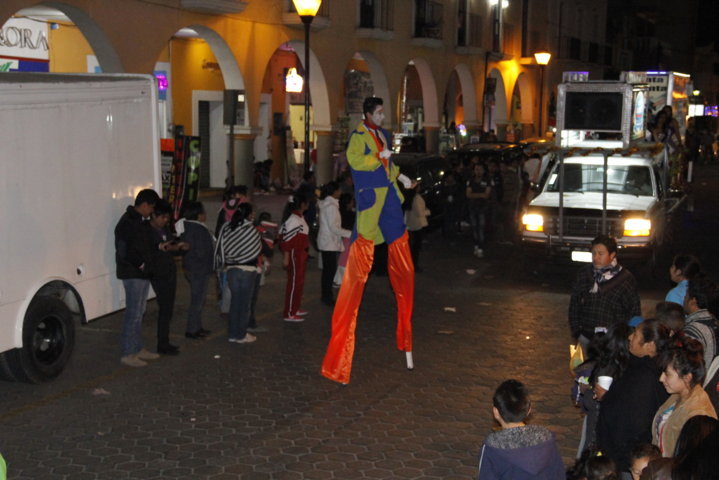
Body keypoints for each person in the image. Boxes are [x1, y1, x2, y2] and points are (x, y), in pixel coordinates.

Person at [321, 96, 416, 385]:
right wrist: (379, 157)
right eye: (379, 112)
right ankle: (339, 358)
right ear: (367, 113)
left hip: (389, 199)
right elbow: (355, 161)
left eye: (383, 112)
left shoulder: (382, 134)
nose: (383, 116)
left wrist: (402, 179)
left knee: (404, 261)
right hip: (371, 201)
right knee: (360, 262)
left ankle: (406, 337)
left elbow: (390, 166)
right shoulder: (358, 137)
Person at [595, 319, 670, 474]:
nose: (630, 337)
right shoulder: (639, 366)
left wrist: (607, 398)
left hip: (626, 460)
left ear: (650, 345)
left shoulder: (645, 377)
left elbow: (634, 420)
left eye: (635, 334)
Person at [477, 379, 565, 479]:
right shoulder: (546, 438)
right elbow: (559, 474)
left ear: (496, 412)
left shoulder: (492, 447)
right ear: (528, 410)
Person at [569, 235, 641, 354]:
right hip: (586, 337)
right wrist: (576, 331)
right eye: (593, 253)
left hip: (612, 341)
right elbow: (574, 305)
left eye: (600, 254)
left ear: (612, 255)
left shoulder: (626, 279)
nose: (596, 257)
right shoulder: (584, 274)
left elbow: (634, 312)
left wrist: (624, 338)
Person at [114, 188, 162, 367]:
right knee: (133, 313)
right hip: (133, 273)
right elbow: (123, 250)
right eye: (152, 207)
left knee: (139, 311)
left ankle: (137, 347)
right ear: (144, 205)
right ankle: (128, 352)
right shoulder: (127, 222)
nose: (152, 211)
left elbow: (146, 245)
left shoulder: (140, 221)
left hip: (141, 272)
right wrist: (140, 264)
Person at [652, 335, 717, 456]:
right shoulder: (678, 395)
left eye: (667, 374)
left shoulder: (699, 414)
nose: (661, 378)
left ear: (687, 377)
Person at [214, 202, 262, 344]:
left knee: (235, 303)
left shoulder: (226, 227)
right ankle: (241, 334)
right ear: (249, 214)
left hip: (231, 270)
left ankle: (232, 334)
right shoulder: (250, 229)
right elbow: (256, 248)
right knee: (244, 304)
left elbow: (220, 246)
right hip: (248, 270)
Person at [148, 199, 188, 355]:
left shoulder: (164, 230)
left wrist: (180, 247)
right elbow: (150, 250)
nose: (165, 221)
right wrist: (163, 248)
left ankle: (164, 342)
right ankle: (162, 344)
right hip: (158, 273)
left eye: (167, 218)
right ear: (153, 215)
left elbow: (170, 246)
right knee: (165, 308)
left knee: (168, 309)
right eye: (162, 217)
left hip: (169, 271)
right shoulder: (147, 230)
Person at [177, 201, 214, 340]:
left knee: (198, 299)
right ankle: (192, 329)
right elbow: (202, 251)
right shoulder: (198, 229)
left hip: (192, 267)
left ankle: (197, 327)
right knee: (197, 300)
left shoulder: (186, 226)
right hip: (199, 269)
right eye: (203, 212)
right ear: (198, 215)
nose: (205, 214)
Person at [318, 182, 351, 306]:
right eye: (339, 190)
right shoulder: (331, 206)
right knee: (329, 271)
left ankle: (326, 295)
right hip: (329, 242)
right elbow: (334, 228)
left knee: (328, 271)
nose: (340, 192)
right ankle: (327, 297)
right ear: (334, 191)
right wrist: (351, 234)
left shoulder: (328, 204)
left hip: (328, 241)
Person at [279, 193, 310, 322]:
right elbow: (286, 239)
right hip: (295, 254)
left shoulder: (299, 217)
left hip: (300, 254)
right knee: (294, 283)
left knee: (299, 282)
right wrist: (286, 257)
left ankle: (295, 307)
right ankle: (289, 313)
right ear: (302, 204)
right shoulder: (294, 219)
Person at [683, 276, 719, 369]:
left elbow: (687, 368)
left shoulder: (693, 331)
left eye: (686, 295)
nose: (684, 298)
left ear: (693, 301)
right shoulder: (714, 321)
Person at [466, 162, 492, 258]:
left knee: (481, 227)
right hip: (472, 207)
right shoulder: (470, 180)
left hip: (483, 207)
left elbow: (487, 195)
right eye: (476, 169)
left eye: (480, 169)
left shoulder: (487, 180)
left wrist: (475, 195)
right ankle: (476, 245)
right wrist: (481, 195)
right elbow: (468, 194)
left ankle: (480, 247)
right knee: (474, 227)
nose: (478, 171)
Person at [404, 185, 430, 271]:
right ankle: (414, 265)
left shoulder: (408, 197)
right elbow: (419, 213)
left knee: (412, 246)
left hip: (410, 224)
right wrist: (427, 211)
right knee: (416, 246)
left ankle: (411, 264)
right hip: (417, 224)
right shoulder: (416, 198)